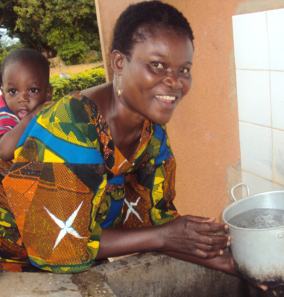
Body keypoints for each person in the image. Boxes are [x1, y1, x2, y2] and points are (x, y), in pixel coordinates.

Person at [1, 2, 264, 288]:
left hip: (75, 261)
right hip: (14, 263)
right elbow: (60, 245)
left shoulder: (152, 134)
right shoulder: (71, 126)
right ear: (118, 62)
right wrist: (162, 236)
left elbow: (157, 223)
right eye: (158, 65)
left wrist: (233, 264)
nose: (175, 82)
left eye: (184, 69)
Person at [0, 49, 54, 161]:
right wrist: (32, 116)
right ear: (4, 94)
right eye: (13, 91)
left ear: (47, 93)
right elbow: (4, 152)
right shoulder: (6, 114)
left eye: (33, 90)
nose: (22, 99)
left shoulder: (49, 111)